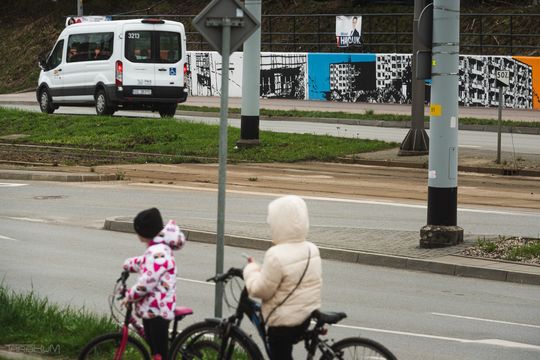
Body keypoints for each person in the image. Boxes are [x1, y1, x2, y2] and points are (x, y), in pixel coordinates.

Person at [243, 195, 322, 360]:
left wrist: (250, 270)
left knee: (279, 352)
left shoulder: (276, 254)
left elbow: (261, 290)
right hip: (305, 316)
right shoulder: (311, 249)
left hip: (284, 323)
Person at [122, 207, 186, 360]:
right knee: (154, 350)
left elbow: (147, 282)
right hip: (152, 309)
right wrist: (128, 264)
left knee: (160, 353)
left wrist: (129, 296)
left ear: (144, 232)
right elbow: (146, 262)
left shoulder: (158, 251)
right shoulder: (156, 249)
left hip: (158, 311)